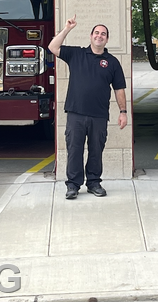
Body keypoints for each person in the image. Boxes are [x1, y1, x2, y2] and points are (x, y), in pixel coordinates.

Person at [48, 15, 128, 199]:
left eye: (103, 34)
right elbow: (53, 47)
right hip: (76, 113)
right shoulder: (76, 54)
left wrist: (123, 112)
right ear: (91, 36)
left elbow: (119, 89)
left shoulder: (112, 62)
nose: (99, 36)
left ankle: (93, 183)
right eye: (97, 33)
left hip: (99, 115)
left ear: (107, 39)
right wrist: (67, 29)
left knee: (96, 151)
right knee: (74, 150)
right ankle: (73, 185)